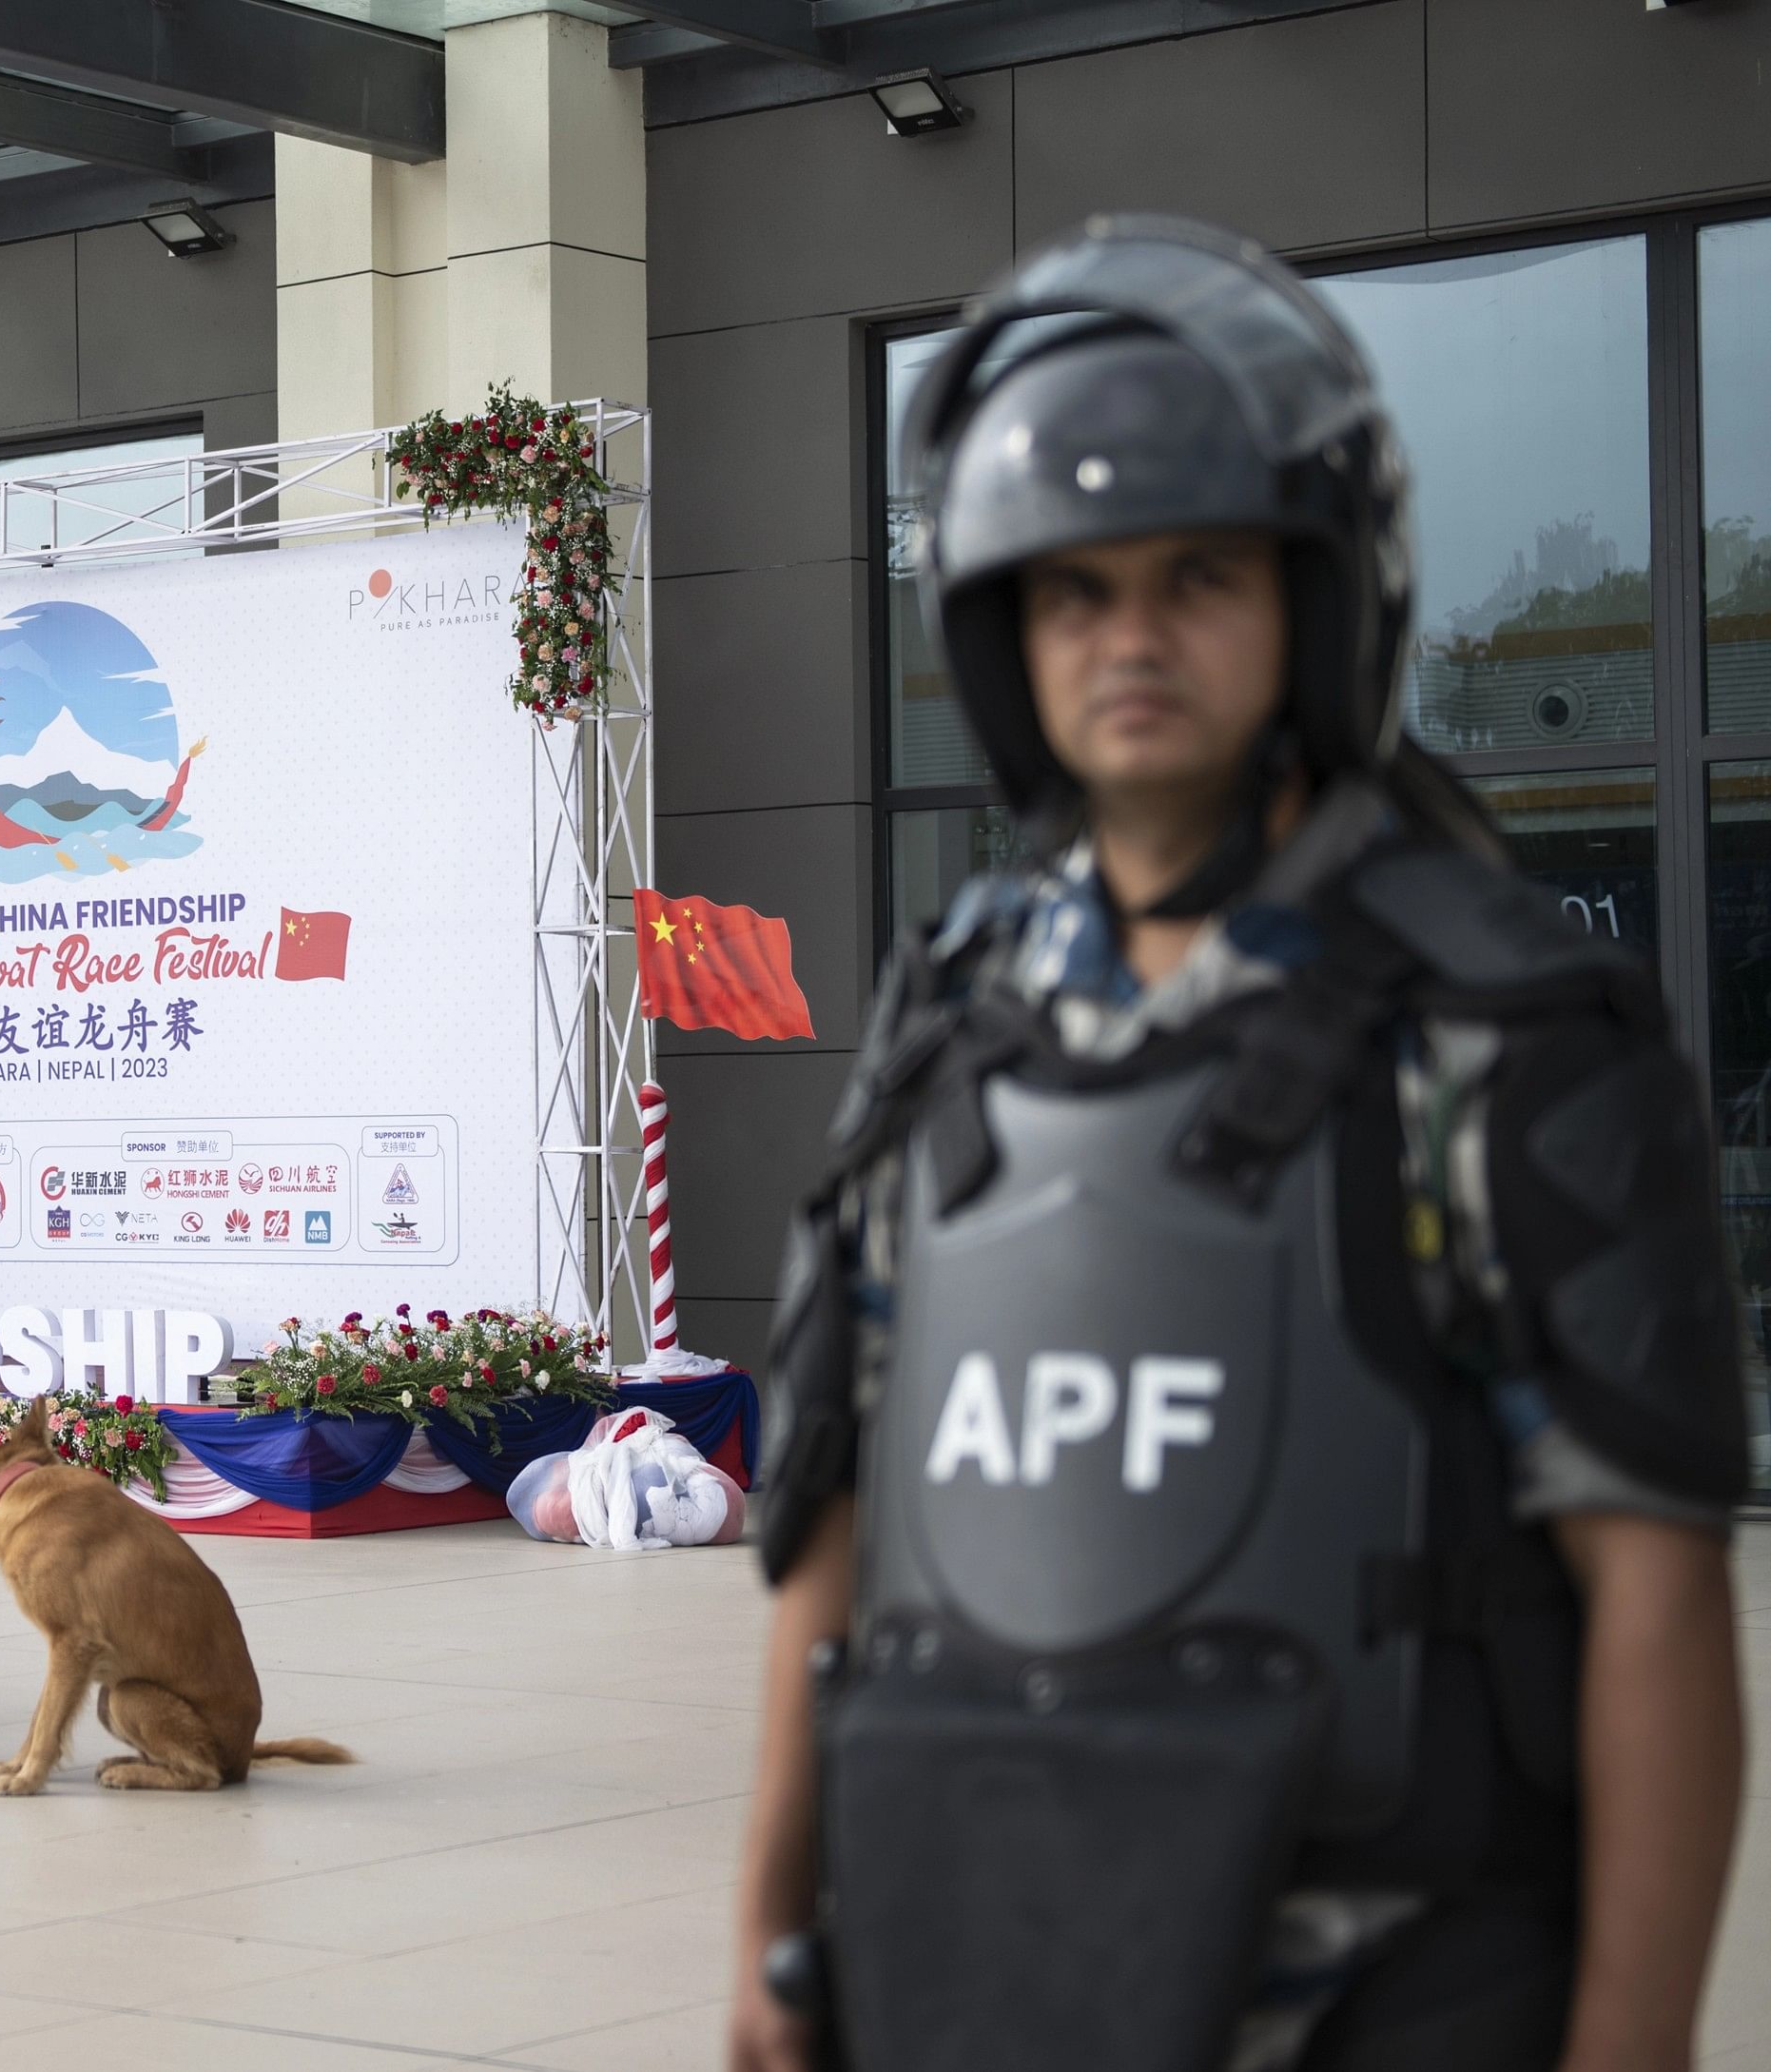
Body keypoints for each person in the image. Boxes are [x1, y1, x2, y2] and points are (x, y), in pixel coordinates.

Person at [729, 216, 1748, 2072]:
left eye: (1196, 574)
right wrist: (764, 1939)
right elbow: (834, 1524)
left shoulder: (1504, 1027)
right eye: (1070, 588)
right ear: (998, 628)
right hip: (976, 1956)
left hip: (1387, 1990)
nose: (1128, 635)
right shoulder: (944, 1027)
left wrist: (1632, 2048)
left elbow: (1656, 1590)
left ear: (1312, 596)